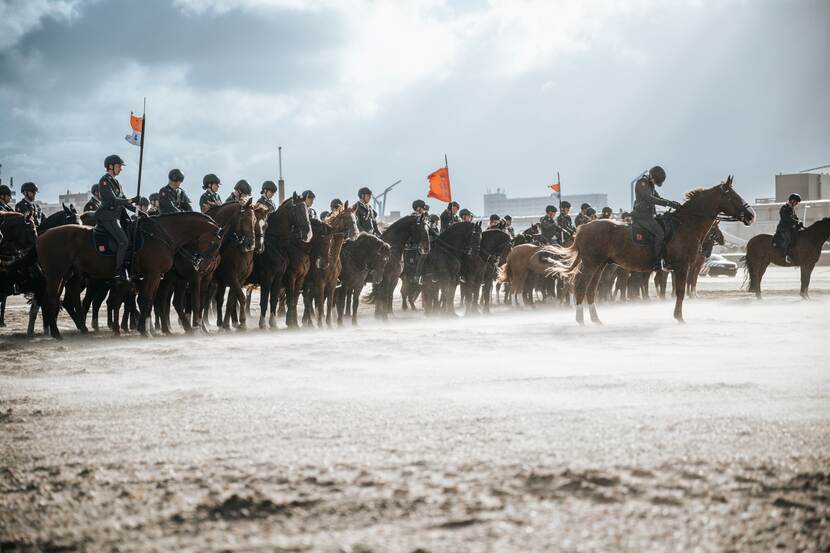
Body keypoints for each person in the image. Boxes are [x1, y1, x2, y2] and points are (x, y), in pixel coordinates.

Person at [632, 165, 682, 271]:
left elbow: (658, 198)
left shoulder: (650, 184)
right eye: (655, 180)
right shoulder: (642, 183)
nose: (655, 182)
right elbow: (649, 198)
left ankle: (665, 259)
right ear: (651, 176)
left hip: (649, 216)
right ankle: (656, 262)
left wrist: (671, 203)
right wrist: (667, 203)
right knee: (659, 233)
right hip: (643, 216)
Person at [97, 154, 136, 280]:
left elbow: (123, 200)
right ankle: (119, 271)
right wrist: (130, 200)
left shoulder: (117, 183)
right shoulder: (104, 181)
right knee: (123, 241)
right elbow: (113, 200)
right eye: (119, 166)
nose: (121, 169)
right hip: (108, 217)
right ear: (110, 166)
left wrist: (138, 210)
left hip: (117, 217)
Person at [776, 193, 803, 263]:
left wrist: (799, 222)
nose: (797, 204)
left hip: (791, 228)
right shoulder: (784, 208)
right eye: (796, 202)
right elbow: (787, 218)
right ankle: (786, 255)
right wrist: (796, 221)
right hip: (784, 228)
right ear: (792, 200)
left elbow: (795, 218)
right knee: (788, 239)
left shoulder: (792, 209)